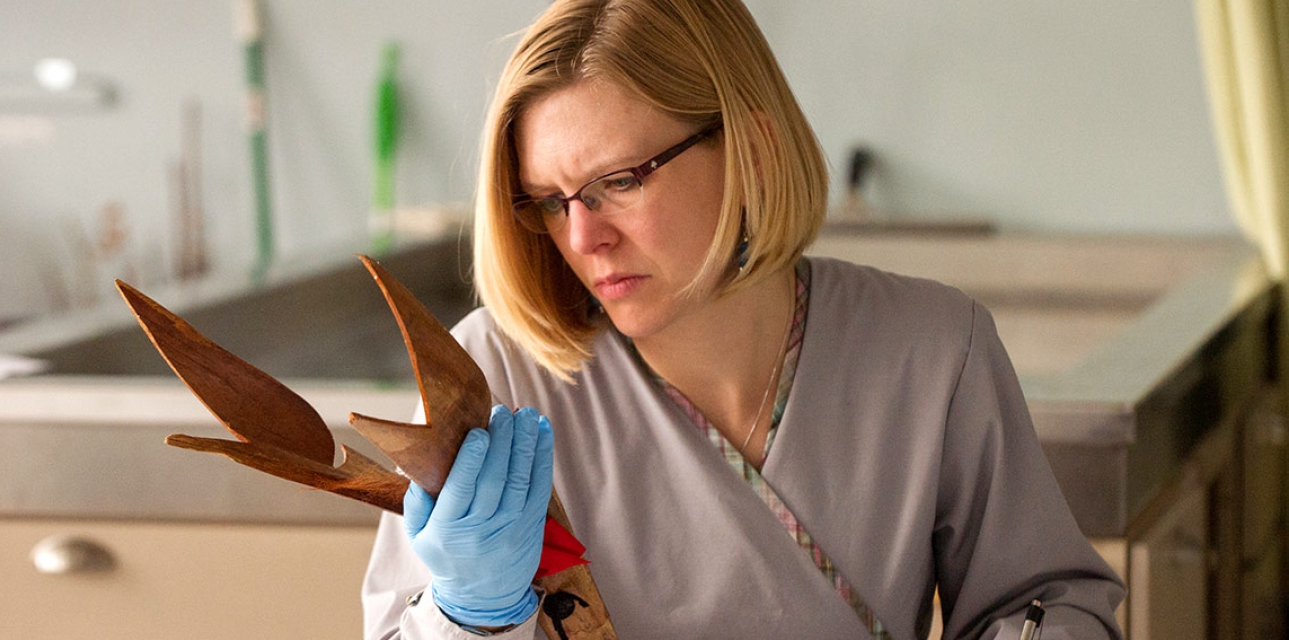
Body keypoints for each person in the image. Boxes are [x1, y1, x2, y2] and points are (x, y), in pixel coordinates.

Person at [362, 0, 1126, 638]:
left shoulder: (931, 352)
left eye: (619, 181)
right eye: (550, 202)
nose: (584, 238)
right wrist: (466, 619)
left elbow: (1053, 600)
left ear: (751, 145)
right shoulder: (493, 378)